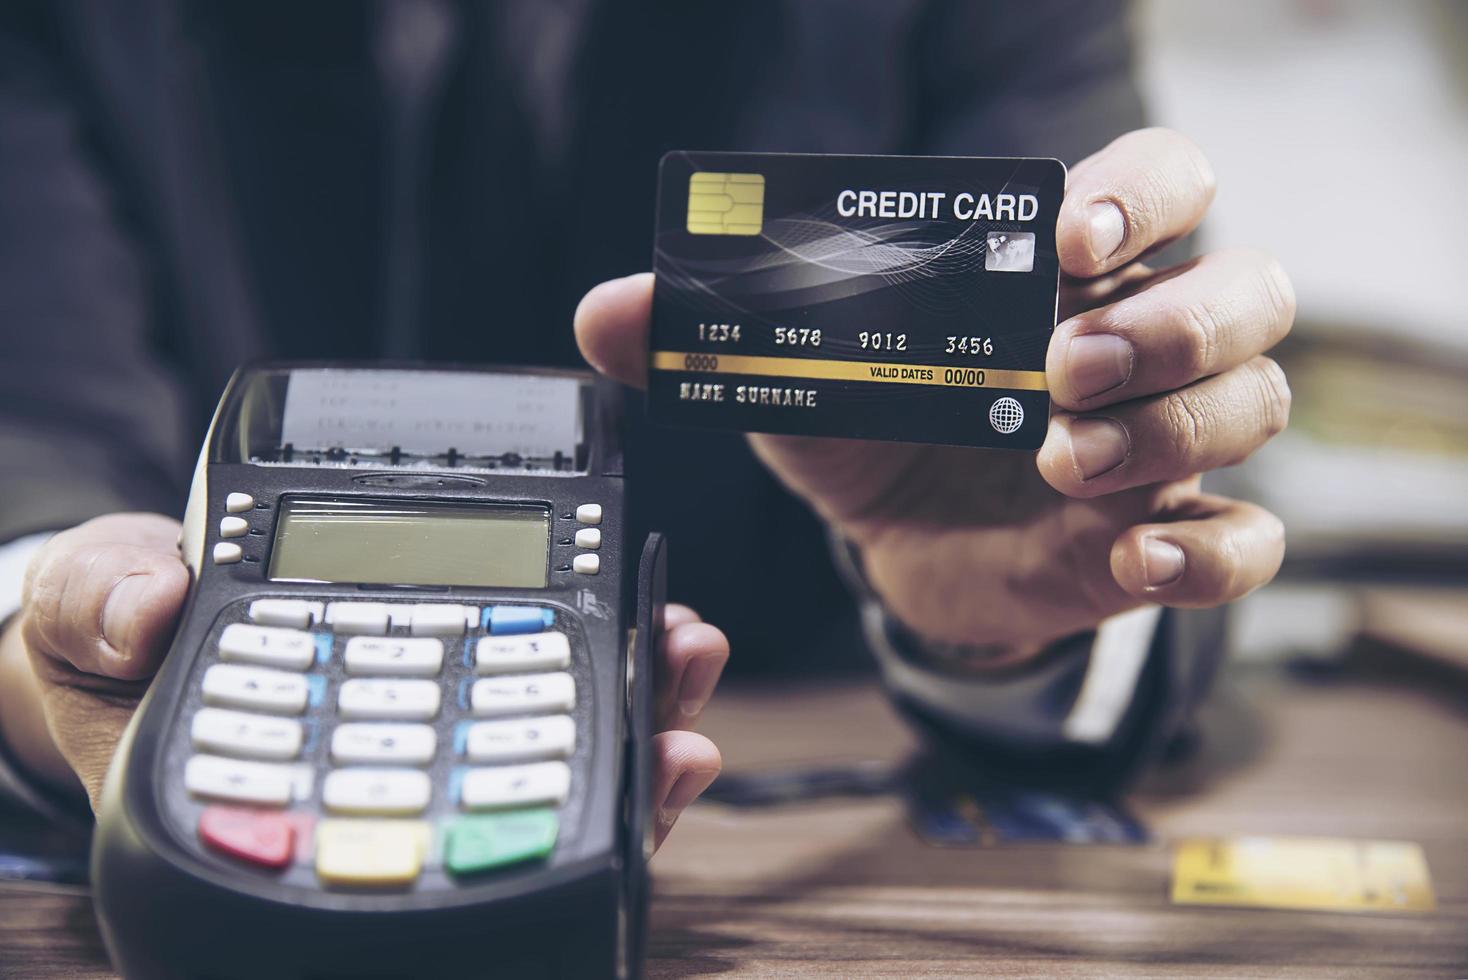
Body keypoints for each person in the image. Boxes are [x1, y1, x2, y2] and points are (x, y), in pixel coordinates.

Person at [0, 1, 1291, 843]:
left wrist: (1023, 609)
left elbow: (1124, 394)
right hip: (216, 763)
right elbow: (31, 459)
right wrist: (62, 658)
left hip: (775, 788)